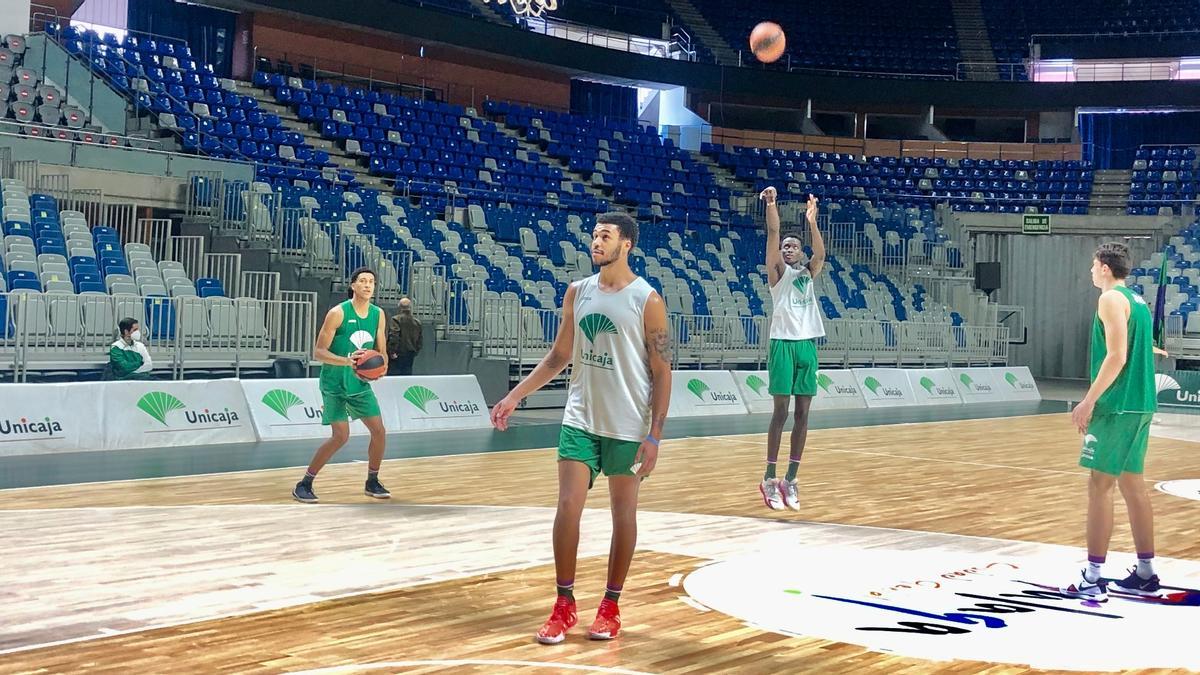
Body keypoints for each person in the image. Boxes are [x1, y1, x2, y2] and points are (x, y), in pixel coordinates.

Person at [490, 211, 672, 644]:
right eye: (594, 234)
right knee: (568, 505)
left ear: (626, 244)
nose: (596, 241)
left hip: (627, 424)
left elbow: (663, 371)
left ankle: (610, 605)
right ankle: (564, 604)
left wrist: (655, 435)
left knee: (622, 514)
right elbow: (558, 357)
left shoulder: (648, 299)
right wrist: (515, 395)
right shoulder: (578, 292)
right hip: (580, 418)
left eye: (605, 236)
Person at [1060, 242, 1161, 602]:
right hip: (1141, 404)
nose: (1090, 270)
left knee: (1099, 487)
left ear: (1104, 267)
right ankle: (1146, 572)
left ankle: (1092, 577)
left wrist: (1088, 401)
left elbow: (1117, 356)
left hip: (1116, 405)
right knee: (1134, 485)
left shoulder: (1110, 299)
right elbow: (1133, 347)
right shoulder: (1138, 302)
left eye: (1093, 264)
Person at [292, 267, 391, 504]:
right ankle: (304, 483)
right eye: (363, 281)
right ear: (353, 286)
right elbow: (318, 352)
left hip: (359, 385)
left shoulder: (378, 314)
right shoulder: (337, 313)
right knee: (340, 436)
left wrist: (381, 367)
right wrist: (348, 361)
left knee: (379, 432)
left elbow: (383, 351)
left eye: (372, 282)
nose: (368, 285)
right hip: (334, 383)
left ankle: (372, 481)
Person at [759, 187, 825, 511]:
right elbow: (773, 231)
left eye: (793, 246)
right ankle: (770, 477)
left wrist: (812, 222)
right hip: (782, 344)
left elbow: (821, 256)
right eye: (785, 246)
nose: (788, 248)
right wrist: (772, 205)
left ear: (800, 253)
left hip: (806, 345)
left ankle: (791, 479)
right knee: (781, 412)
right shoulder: (778, 275)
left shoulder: (808, 275)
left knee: (802, 414)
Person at [387, 297, 422, 376]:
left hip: (397, 354)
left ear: (399, 307)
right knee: (406, 378)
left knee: (394, 379)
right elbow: (420, 341)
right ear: (410, 307)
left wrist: (392, 351)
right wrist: (415, 351)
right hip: (410, 354)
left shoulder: (396, 319)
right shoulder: (417, 322)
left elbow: (394, 336)